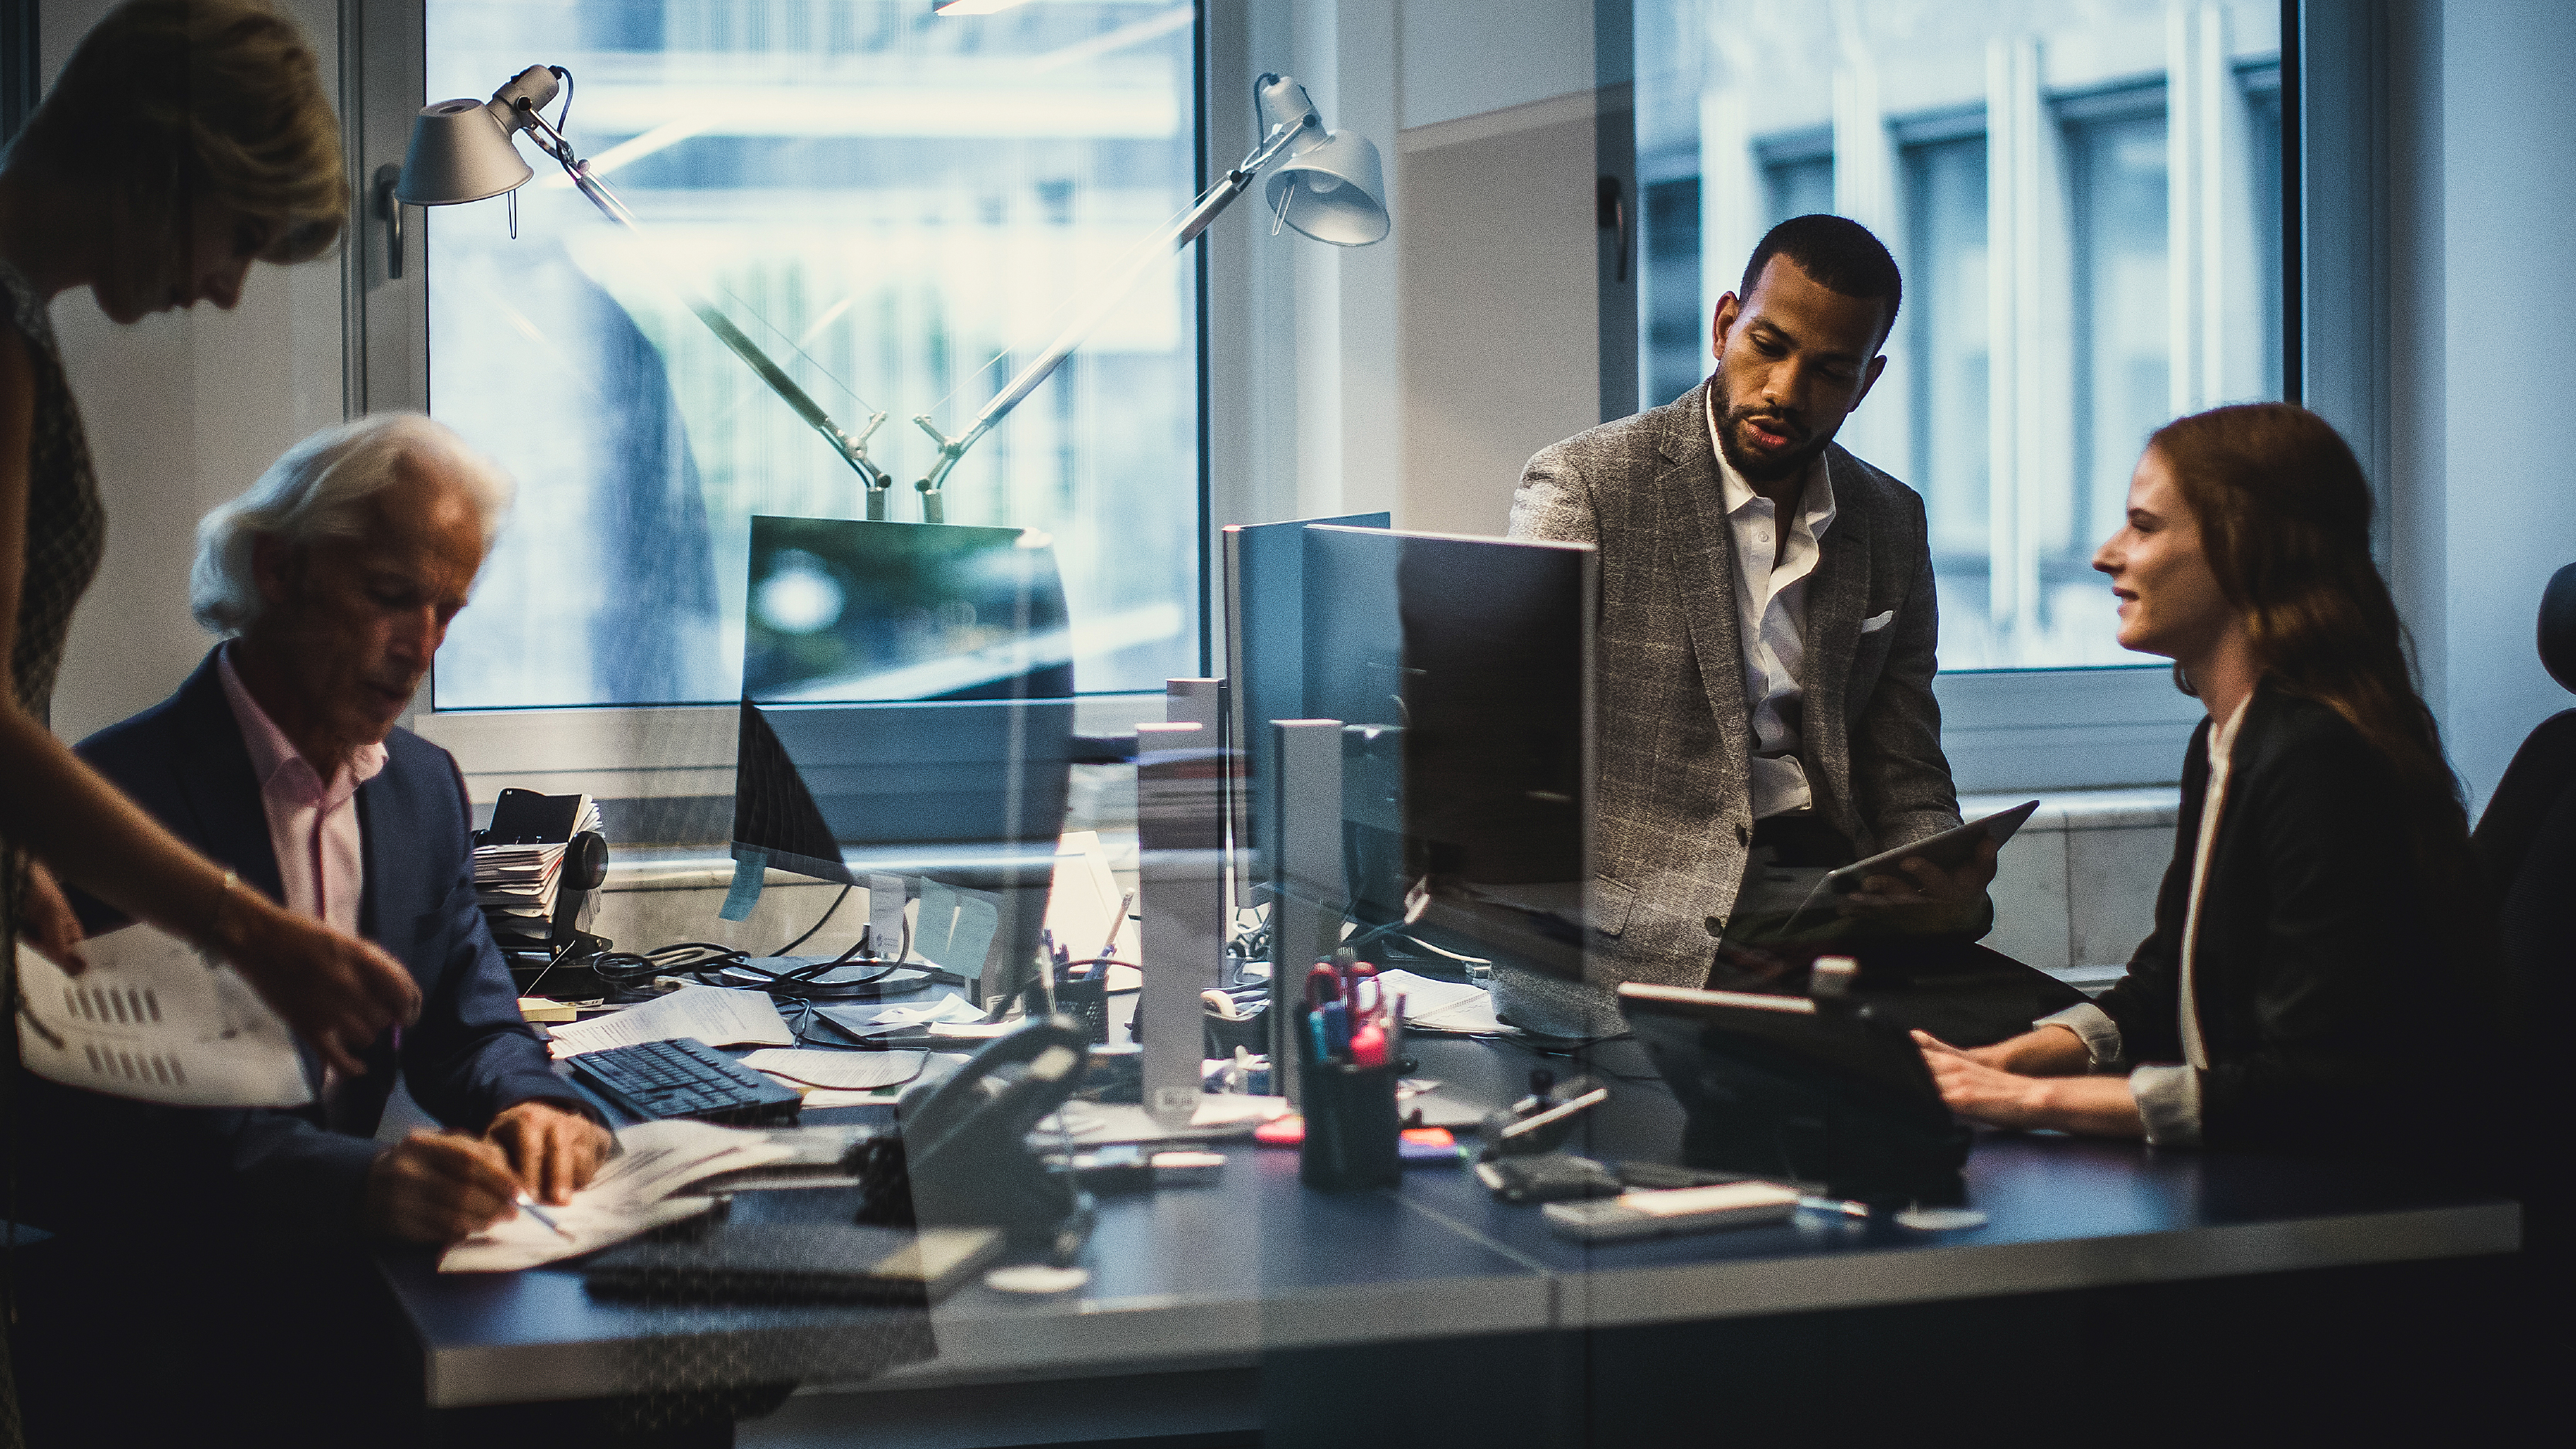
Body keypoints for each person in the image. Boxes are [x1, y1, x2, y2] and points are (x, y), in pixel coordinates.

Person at [12, 415, 615, 1447]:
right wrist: (366, 1180)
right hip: (162, 1319)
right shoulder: (115, 803)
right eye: (391, 596)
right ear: (279, 570)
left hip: (342, 1289)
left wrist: (531, 1099)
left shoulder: (422, 789)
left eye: (447, 613)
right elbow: (119, 1133)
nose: (420, 649)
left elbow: (467, 1015)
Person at [1915, 403, 2486, 1151]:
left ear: (2241, 547)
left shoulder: (2316, 757)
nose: (2105, 554)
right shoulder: (2226, 738)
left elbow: (2312, 1086)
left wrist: (2027, 1099)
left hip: (2336, 1208)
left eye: (2143, 527)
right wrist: (1996, 1066)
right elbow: (2162, 984)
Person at [1509, 214, 1992, 990]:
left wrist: (1934, 859)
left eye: (1831, 371)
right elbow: (1519, 757)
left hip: (1831, 902)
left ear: (1867, 383)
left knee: (2013, 1044)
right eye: (1768, 347)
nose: (1785, 392)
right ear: (1725, 325)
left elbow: (1905, 765)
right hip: (1646, 920)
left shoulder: (1891, 521)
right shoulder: (1587, 486)